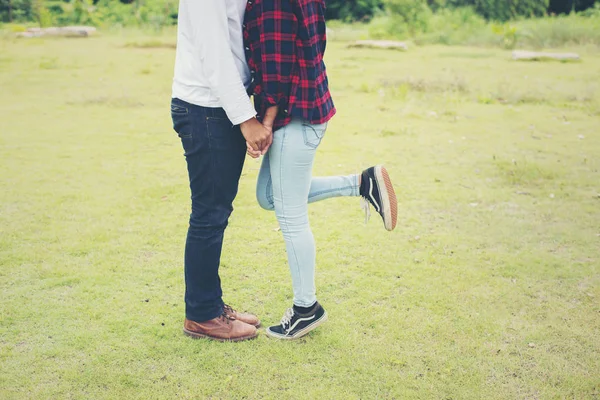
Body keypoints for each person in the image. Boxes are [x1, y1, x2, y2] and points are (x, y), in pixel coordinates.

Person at [243, 0, 398, 340]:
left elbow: (275, 69)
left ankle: (306, 308)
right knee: (269, 196)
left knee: (291, 215)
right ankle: (362, 183)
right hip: (305, 108)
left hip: (292, 116)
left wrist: (263, 123)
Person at [170, 0, 272, 342]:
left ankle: (210, 304)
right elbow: (214, 54)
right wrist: (247, 119)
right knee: (209, 214)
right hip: (205, 110)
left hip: (218, 107)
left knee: (216, 212)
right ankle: (201, 315)